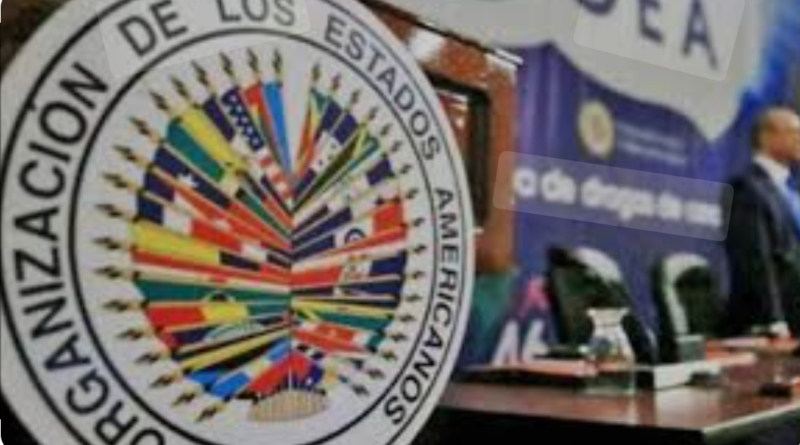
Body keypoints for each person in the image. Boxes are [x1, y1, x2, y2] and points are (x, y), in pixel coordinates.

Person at [725, 107, 800, 338]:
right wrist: (774, 319)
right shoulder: (746, 187)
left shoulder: (790, 192)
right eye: (795, 132)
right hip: (768, 327)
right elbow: (756, 259)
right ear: (767, 137)